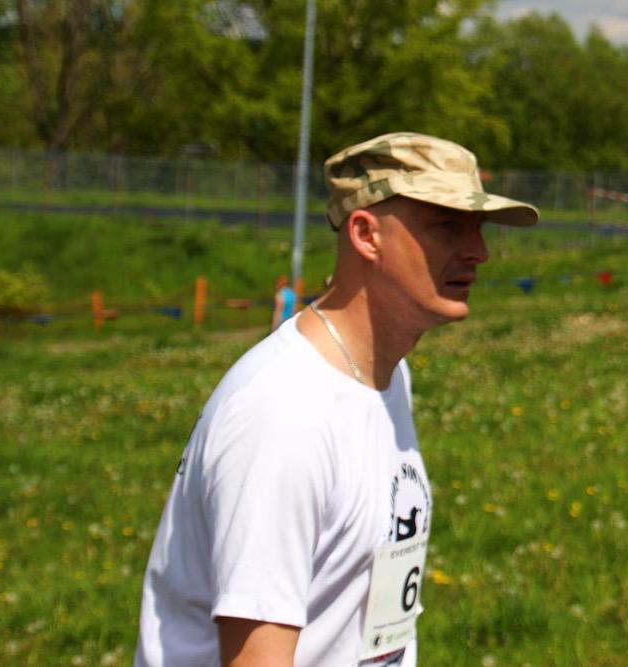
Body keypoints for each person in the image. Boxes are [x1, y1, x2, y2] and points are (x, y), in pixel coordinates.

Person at [135, 132, 538, 667]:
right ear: (366, 234)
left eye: (479, 227)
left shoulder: (385, 376)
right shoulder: (282, 417)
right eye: (448, 226)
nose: (479, 252)